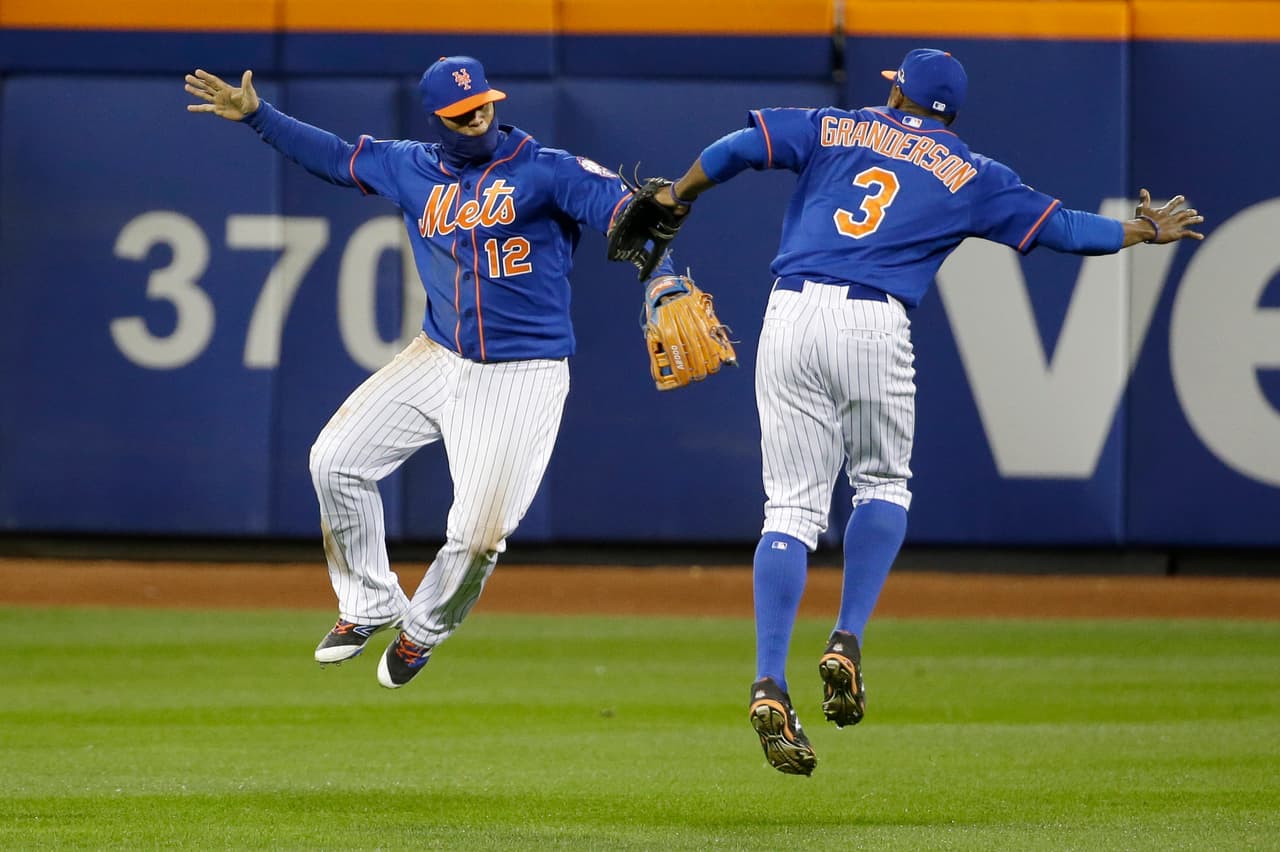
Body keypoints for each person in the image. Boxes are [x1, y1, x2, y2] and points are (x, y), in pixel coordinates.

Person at [642, 48, 1204, 775]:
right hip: (875, 320)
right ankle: (845, 639)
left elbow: (739, 148)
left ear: (896, 91)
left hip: (790, 312)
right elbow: (1063, 228)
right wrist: (1139, 231)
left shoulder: (834, 126)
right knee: (881, 486)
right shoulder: (971, 173)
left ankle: (767, 679)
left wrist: (678, 195)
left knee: (788, 511)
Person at [185, 57, 672, 690]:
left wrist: (662, 276)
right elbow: (333, 157)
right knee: (335, 460)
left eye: (485, 105)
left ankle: (422, 631)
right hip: (437, 356)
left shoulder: (545, 170)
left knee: (477, 537)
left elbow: (629, 217)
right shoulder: (410, 166)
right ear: (438, 119)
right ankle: (369, 603)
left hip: (521, 376)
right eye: (461, 113)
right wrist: (258, 116)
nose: (477, 118)